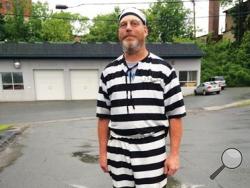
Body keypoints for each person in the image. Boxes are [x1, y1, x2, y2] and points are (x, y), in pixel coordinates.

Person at [96, 7, 186, 188]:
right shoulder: (108, 72)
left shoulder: (164, 70)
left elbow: (175, 115)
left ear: (145, 30)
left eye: (134, 23)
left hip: (151, 149)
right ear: (119, 33)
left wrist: (174, 155)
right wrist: (103, 153)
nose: (128, 28)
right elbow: (103, 117)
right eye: (123, 25)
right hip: (118, 150)